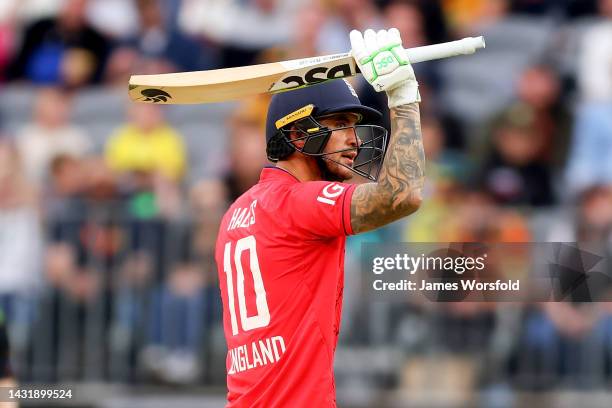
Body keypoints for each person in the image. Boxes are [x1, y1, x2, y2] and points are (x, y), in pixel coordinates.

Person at [214, 28, 424, 407]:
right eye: (340, 123)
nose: (355, 139)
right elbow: (403, 195)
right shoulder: (299, 204)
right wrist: (404, 97)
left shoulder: (237, 211)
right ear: (297, 133)